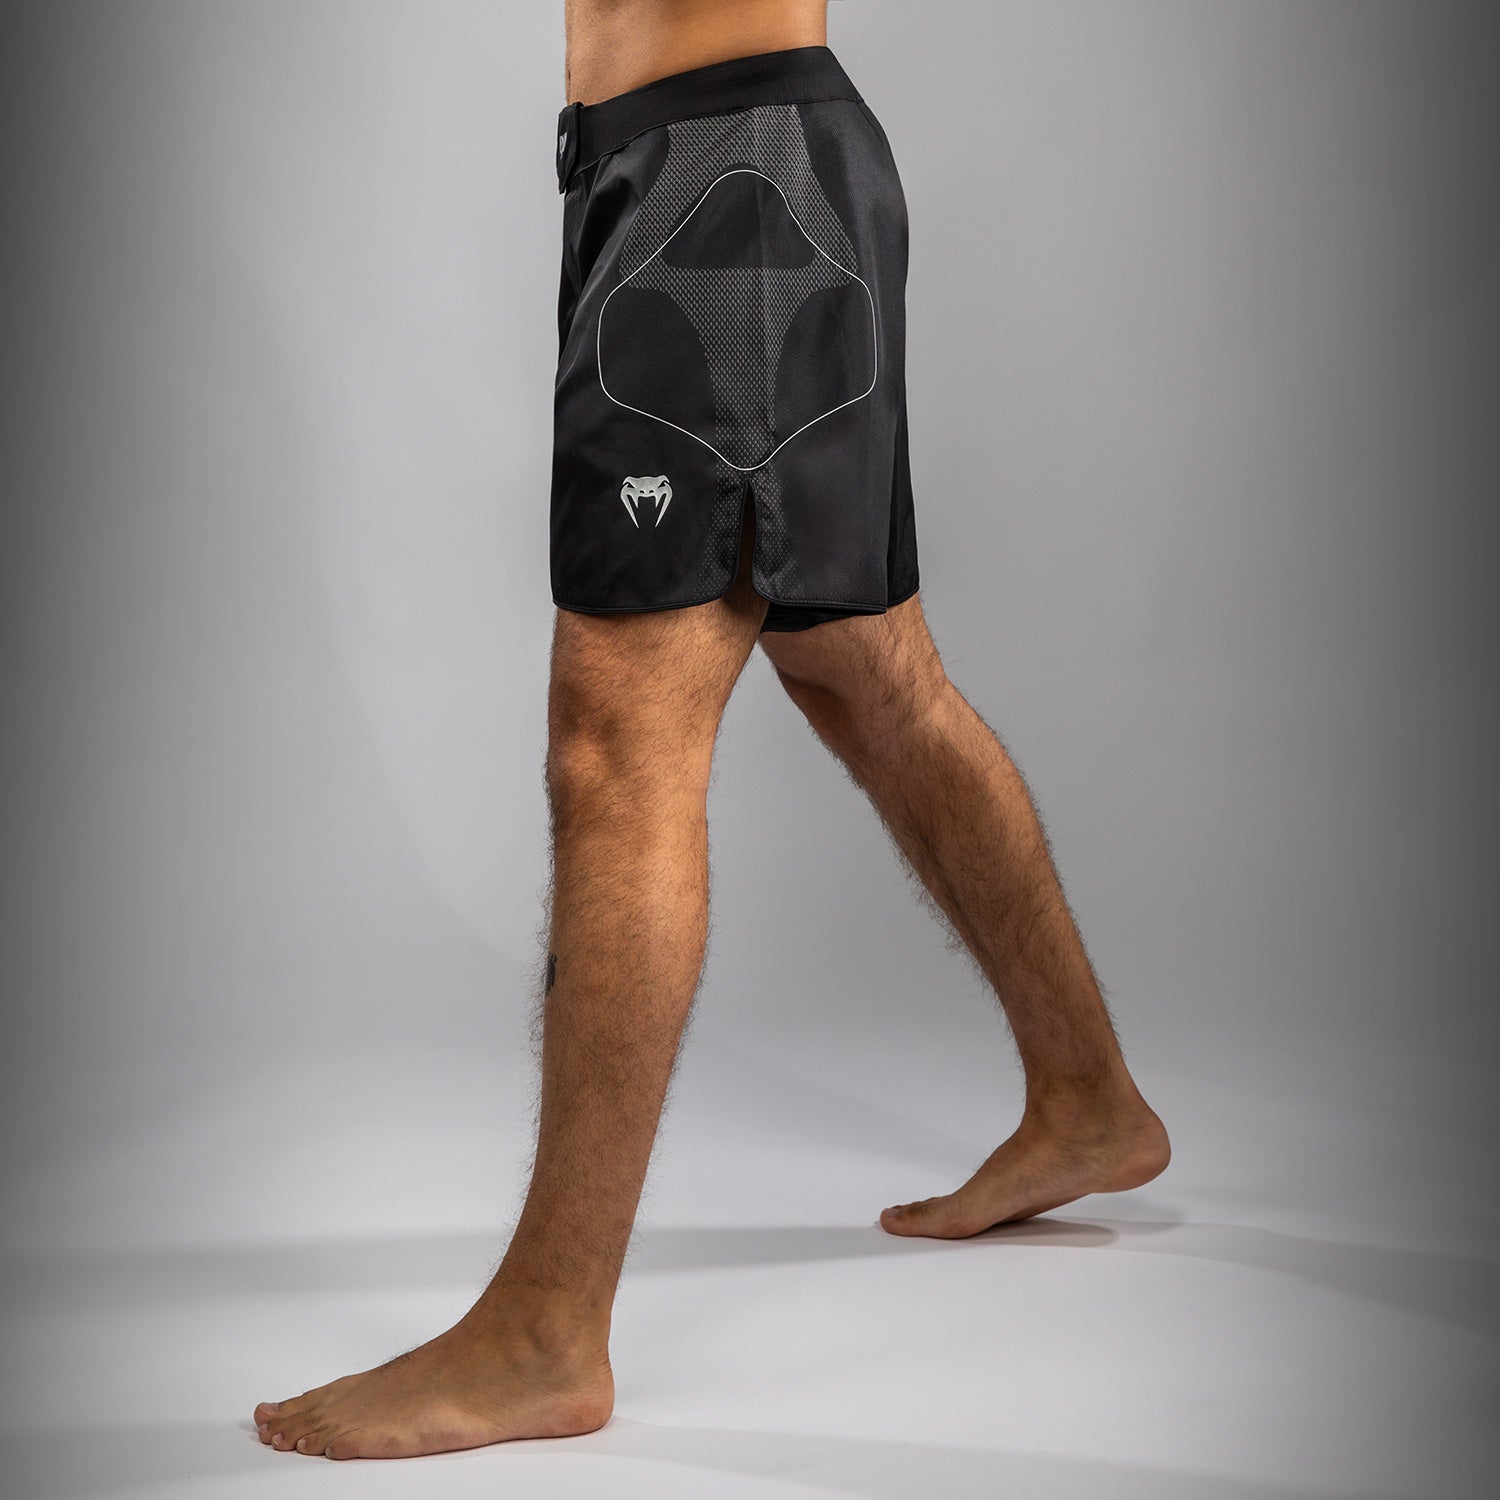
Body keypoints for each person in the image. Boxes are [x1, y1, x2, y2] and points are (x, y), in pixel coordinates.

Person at [253, 0, 1170, 1461]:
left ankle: (545, 1334)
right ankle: (1088, 1099)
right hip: (709, 165)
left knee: (614, 745)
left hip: (726, 180)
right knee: (869, 676)